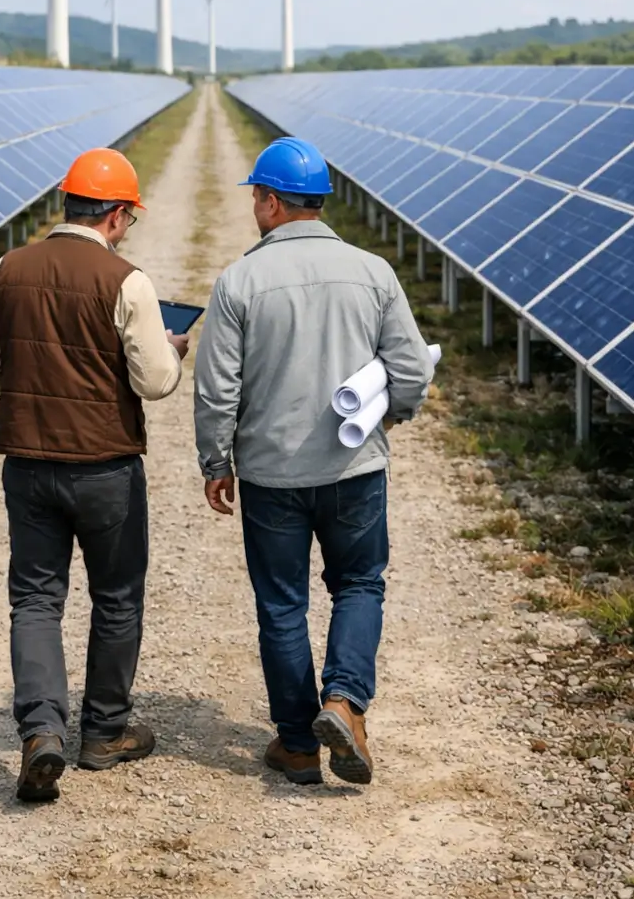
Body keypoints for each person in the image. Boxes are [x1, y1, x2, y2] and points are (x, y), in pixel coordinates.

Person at [194, 137, 434, 787]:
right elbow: (411, 368)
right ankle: (345, 702)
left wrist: (217, 461)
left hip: (272, 478)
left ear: (270, 202)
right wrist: (392, 415)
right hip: (355, 468)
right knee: (359, 583)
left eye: (255, 196)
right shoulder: (374, 271)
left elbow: (218, 388)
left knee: (281, 604)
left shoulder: (238, 281)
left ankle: (298, 746)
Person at [0, 147, 189, 803]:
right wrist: (170, 350)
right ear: (117, 216)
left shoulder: (7, 269)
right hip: (106, 468)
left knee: (35, 599)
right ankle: (104, 734)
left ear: (69, 206)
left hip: (28, 465)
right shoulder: (127, 282)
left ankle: (41, 732)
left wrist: (32, 381)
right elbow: (152, 381)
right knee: (116, 598)